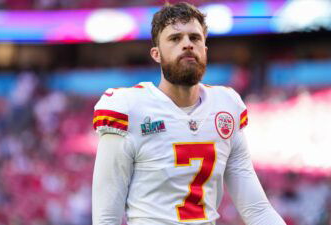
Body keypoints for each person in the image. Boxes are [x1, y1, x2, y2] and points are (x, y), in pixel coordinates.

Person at [92, 2, 286, 225]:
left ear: (205, 49)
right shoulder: (128, 107)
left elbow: (258, 210)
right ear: (156, 54)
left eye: (194, 38)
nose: (187, 44)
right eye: (175, 39)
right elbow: (106, 218)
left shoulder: (226, 106)